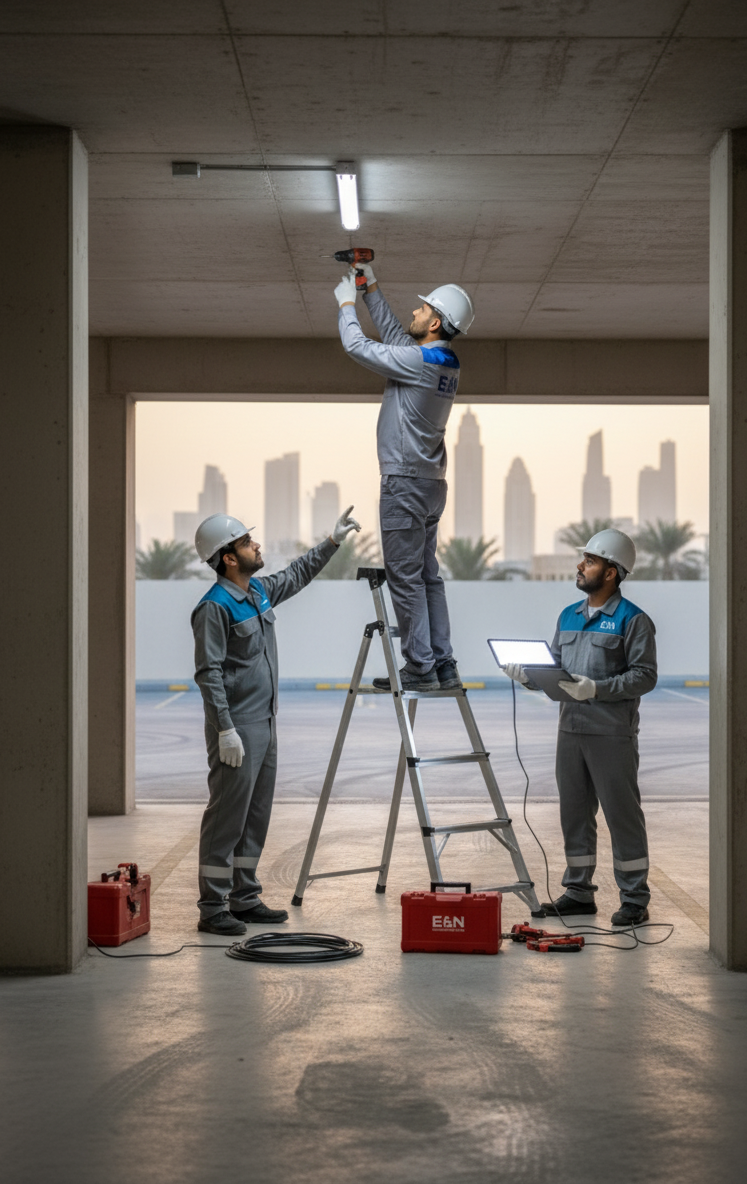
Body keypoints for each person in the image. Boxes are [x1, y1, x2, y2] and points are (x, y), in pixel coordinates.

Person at [191, 507, 360, 935]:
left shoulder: (258, 592)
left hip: (266, 721)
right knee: (227, 817)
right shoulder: (214, 608)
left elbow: (297, 574)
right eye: (247, 542)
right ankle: (212, 907)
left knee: (255, 815)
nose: (256, 545)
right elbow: (209, 673)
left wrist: (332, 542)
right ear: (229, 558)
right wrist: (225, 729)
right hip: (237, 727)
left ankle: (244, 897)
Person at [333, 262, 475, 692]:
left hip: (405, 483)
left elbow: (358, 346)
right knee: (428, 576)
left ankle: (420, 667)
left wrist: (346, 305)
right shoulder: (442, 361)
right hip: (430, 483)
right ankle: (443, 663)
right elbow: (397, 338)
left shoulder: (419, 362)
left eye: (422, 308)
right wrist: (370, 288)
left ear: (434, 323)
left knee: (405, 578)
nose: (414, 311)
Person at [505, 528, 657, 927]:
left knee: (622, 816)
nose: (580, 565)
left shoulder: (633, 620)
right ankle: (578, 892)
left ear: (611, 572)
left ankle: (634, 899)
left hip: (612, 735)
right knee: (574, 814)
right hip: (570, 731)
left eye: (589, 561)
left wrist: (598, 689)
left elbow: (645, 676)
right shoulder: (568, 616)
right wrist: (527, 676)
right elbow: (556, 672)